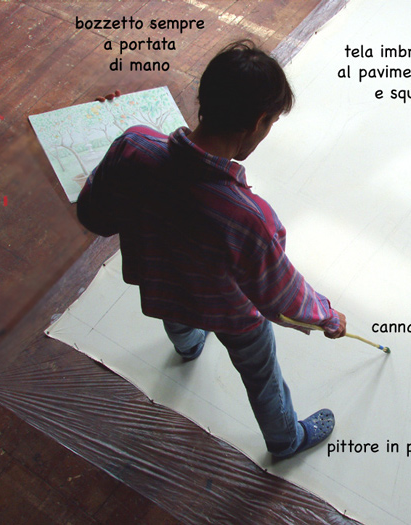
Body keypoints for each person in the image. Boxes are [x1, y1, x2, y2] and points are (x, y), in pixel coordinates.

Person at [77, 40, 346, 458]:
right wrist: (326, 316)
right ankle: (285, 439)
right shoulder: (250, 218)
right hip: (233, 315)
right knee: (260, 374)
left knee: (178, 313)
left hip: (163, 284)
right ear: (259, 122)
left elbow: (94, 216)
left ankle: (188, 347)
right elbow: (282, 298)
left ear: (203, 99)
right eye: (271, 122)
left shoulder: (133, 146)